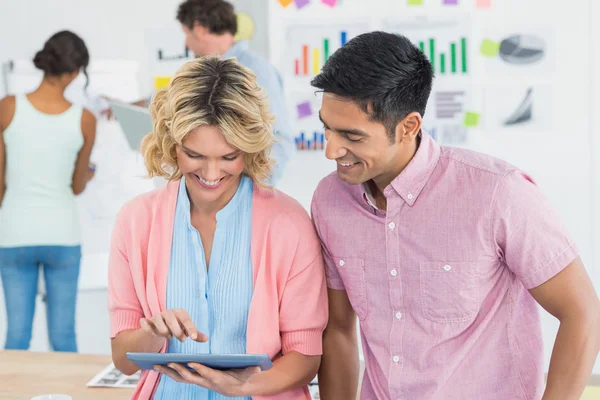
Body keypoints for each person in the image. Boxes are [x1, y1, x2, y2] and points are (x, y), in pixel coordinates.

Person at [310, 31, 600, 400]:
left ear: (408, 127)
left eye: (351, 136)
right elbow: (338, 328)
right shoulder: (330, 200)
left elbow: (583, 313)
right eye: (326, 127)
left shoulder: (498, 192)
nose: (331, 149)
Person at [107, 56, 327, 399]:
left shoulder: (290, 224)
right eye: (194, 155)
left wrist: (244, 385)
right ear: (171, 142)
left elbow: (306, 355)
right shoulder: (135, 222)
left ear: (250, 147)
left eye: (228, 157)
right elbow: (123, 359)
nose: (211, 175)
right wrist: (153, 333)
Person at [105, 0, 294, 186]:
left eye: (186, 34)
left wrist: (252, 191)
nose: (186, 43)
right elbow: (166, 97)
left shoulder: (257, 70)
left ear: (200, 29)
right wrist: (125, 106)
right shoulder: (202, 71)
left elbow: (279, 139)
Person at [0, 30, 96, 352]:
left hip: (14, 233)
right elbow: (77, 186)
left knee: (16, 337)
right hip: (62, 235)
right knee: (64, 338)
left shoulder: (8, 107)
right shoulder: (85, 120)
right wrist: (88, 174)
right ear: (75, 71)